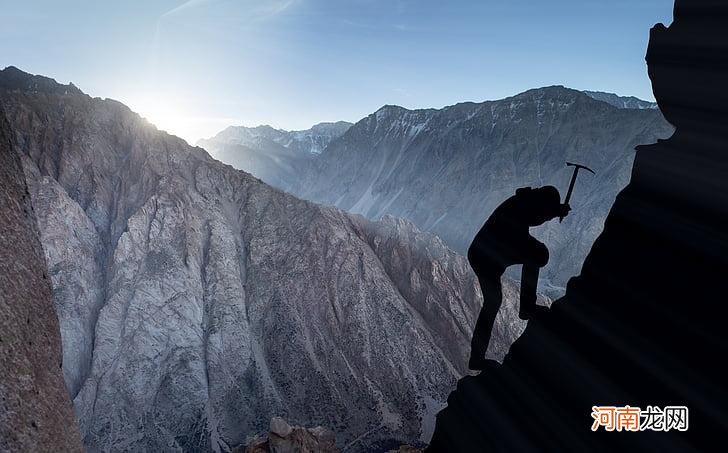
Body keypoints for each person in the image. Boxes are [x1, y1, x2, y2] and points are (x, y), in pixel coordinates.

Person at [467, 186, 570, 370]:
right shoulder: (520, 209)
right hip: (486, 257)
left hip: (486, 254)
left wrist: (555, 211)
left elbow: (535, 215)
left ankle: (477, 357)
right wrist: (555, 211)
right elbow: (534, 218)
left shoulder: (523, 202)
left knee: (492, 303)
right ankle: (527, 307)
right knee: (538, 255)